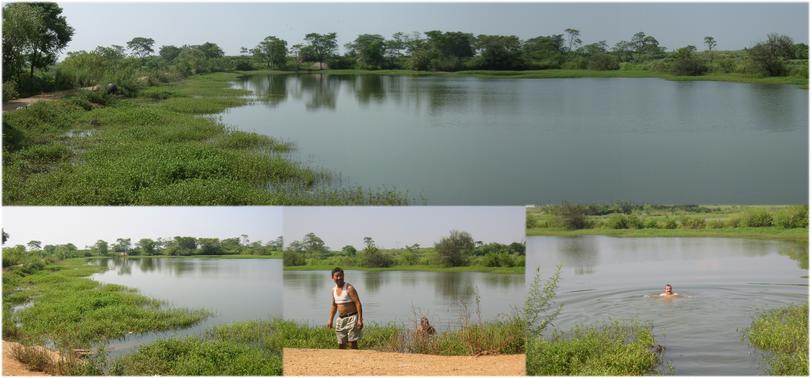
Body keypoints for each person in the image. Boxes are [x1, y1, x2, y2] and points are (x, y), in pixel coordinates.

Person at [327, 267, 364, 349]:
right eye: (337, 276)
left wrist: (360, 319)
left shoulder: (349, 288)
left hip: (352, 318)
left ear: (343, 276)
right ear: (332, 277)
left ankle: (355, 359)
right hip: (341, 319)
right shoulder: (333, 290)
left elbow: (358, 303)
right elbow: (334, 305)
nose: (339, 278)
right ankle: (342, 361)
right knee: (341, 343)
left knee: (352, 342)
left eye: (341, 275)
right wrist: (330, 319)